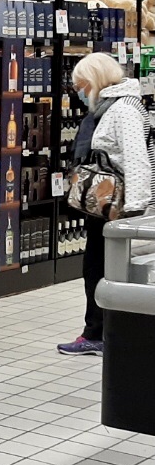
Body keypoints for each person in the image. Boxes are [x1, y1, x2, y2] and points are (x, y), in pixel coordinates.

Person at [58, 52, 152, 356]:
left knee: (101, 270)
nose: (79, 91)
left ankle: (98, 334)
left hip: (117, 210)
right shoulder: (113, 106)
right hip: (104, 206)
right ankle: (98, 331)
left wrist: (134, 213)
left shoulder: (123, 109)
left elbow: (137, 159)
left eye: (81, 85)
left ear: (95, 80)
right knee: (95, 268)